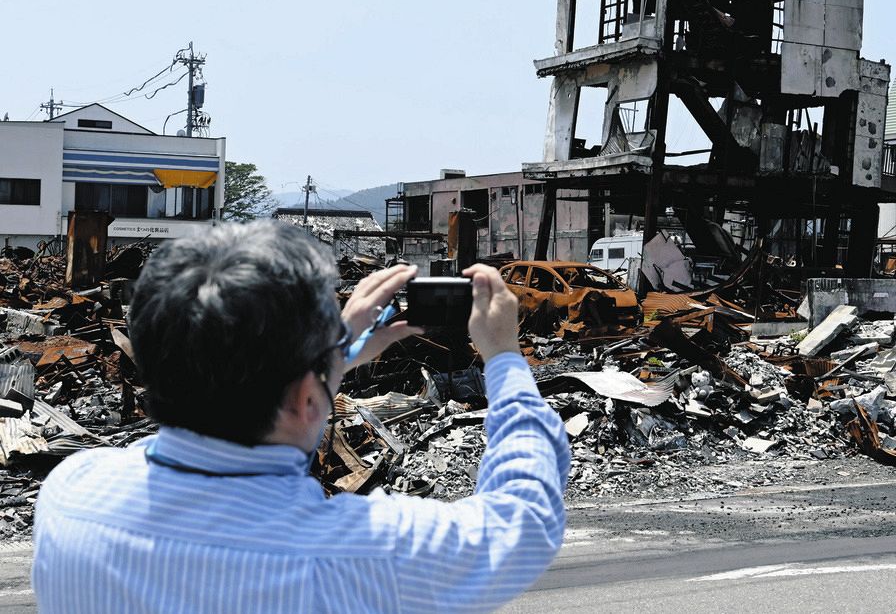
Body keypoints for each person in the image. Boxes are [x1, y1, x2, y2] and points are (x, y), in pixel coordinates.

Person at [32, 220, 570, 612]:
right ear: (308, 402)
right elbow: (521, 524)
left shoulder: (72, 494)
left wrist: (320, 361)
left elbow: (213, 411)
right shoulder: (355, 557)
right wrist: (505, 359)